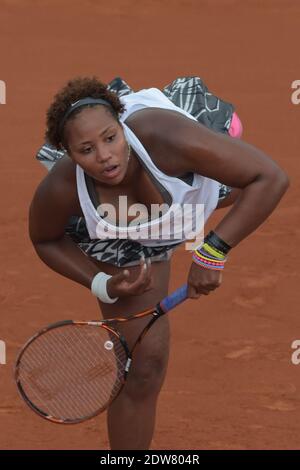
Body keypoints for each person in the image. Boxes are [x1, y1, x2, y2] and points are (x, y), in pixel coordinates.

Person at [29, 75, 289, 450]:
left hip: (189, 197)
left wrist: (213, 251)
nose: (104, 156)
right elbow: (45, 238)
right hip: (121, 234)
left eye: (110, 138)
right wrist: (103, 282)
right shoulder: (64, 186)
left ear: (122, 127)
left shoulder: (168, 139)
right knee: (143, 368)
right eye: (86, 149)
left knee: (233, 162)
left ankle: (219, 133)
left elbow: (270, 177)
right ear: (69, 155)